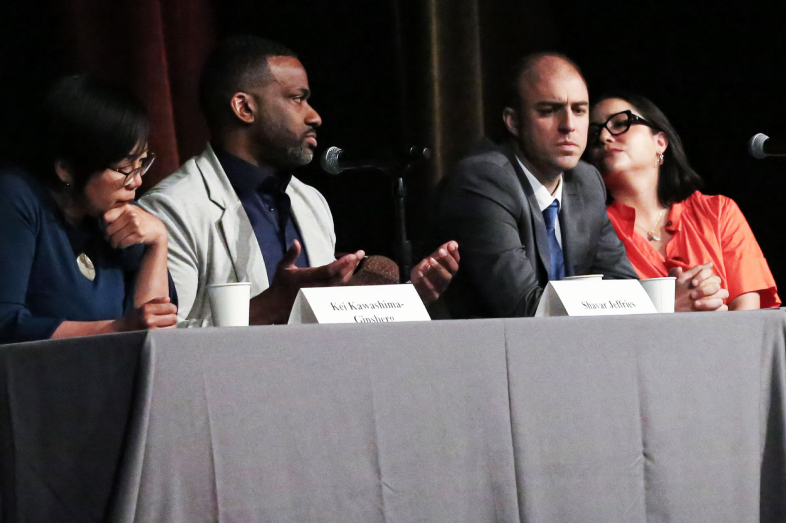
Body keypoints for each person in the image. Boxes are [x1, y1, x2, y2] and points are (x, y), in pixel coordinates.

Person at [139, 36, 459, 326]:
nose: (314, 116)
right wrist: (272, 306)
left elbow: (329, 320)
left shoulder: (310, 201)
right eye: (297, 98)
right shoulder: (171, 209)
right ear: (244, 107)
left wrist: (405, 298)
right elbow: (165, 343)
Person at [433, 53, 727, 318]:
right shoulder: (483, 180)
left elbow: (622, 282)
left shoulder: (586, 181)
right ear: (513, 122)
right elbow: (526, 308)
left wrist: (666, 298)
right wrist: (658, 305)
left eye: (580, 110)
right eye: (549, 110)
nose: (569, 125)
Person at [0, 75, 177, 344]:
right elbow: (6, 325)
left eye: (141, 163)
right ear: (66, 169)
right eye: (124, 167)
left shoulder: (116, 216)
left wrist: (158, 241)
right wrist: (117, 329)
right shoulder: (16, 197)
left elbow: (154, 334)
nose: (137, 181)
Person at [587, 93, 780, 310]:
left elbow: (749, 310)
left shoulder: (718, 211)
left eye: (620, 123)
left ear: (660, 143)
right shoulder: (590, 230)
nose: (603, 137)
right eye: (593, 134)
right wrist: (672, 309)